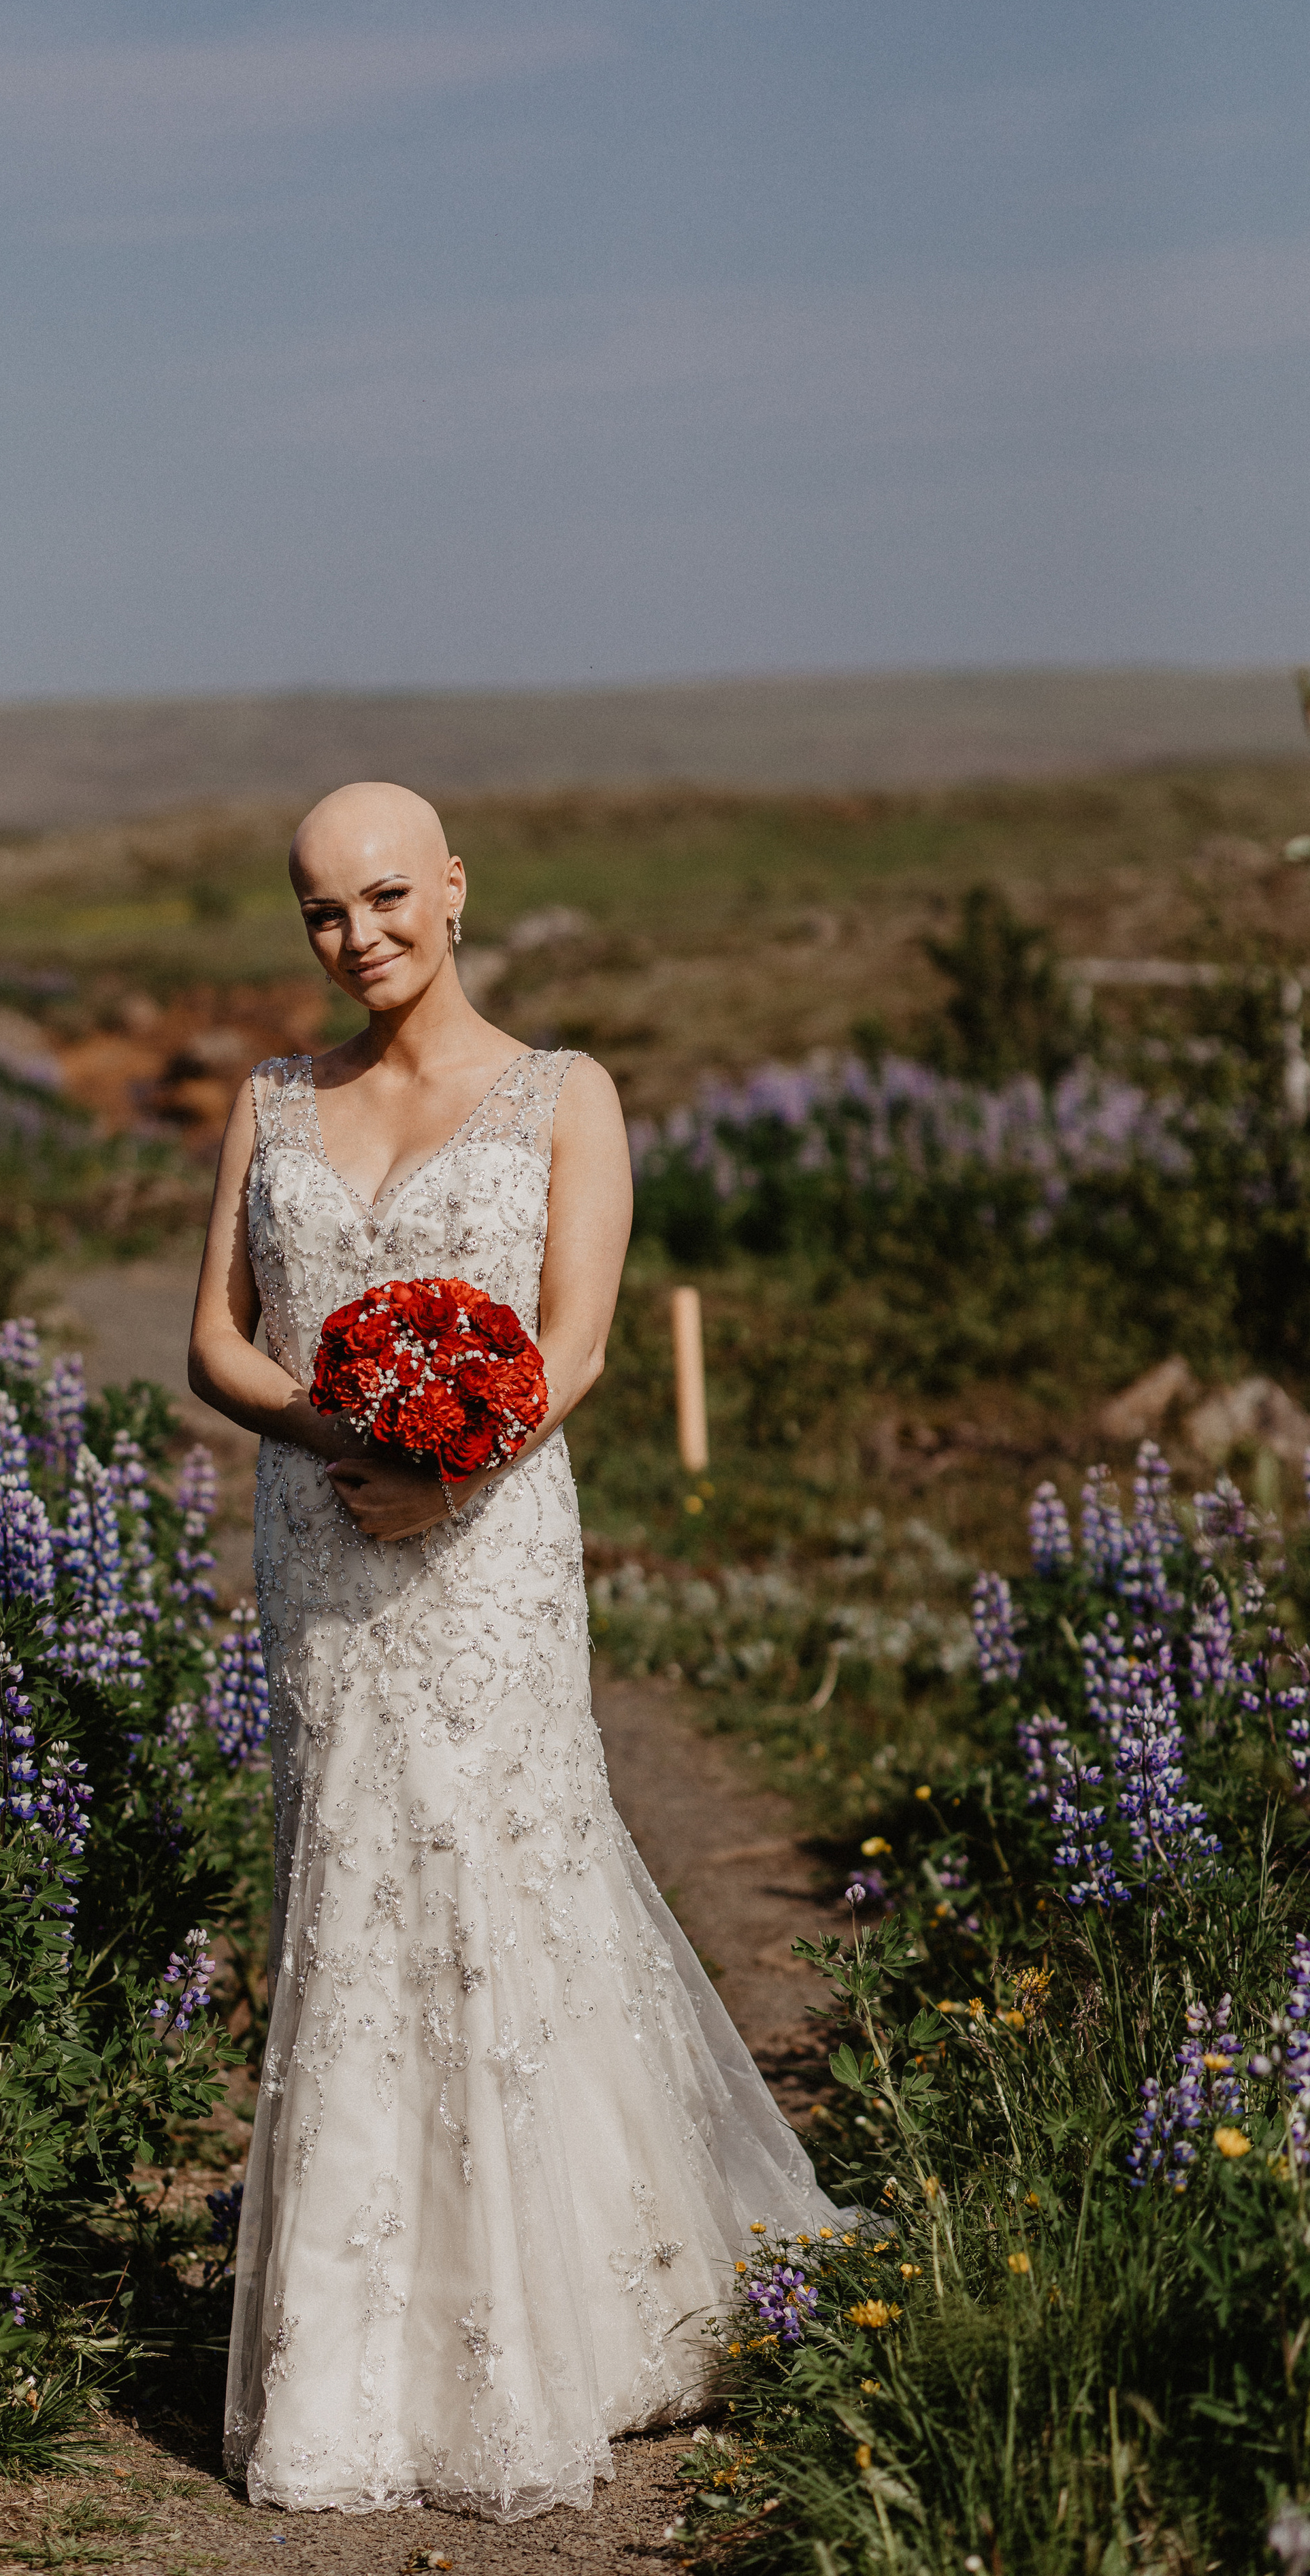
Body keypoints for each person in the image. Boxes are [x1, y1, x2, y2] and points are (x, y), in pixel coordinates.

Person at [188, 782, 840, 2524]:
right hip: (327, 1540)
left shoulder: (567, 1094)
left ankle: (573, 2309)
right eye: (322, 911)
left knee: (497, 1869)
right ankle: (355, 2353)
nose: (358, 938)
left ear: (455, 891)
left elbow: (578, 1339)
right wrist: (348, 1421)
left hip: (483, 1554)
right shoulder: (271, 1105)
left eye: (386, 897)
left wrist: (454, 1453)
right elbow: (211, 1346)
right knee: (353, 1885)